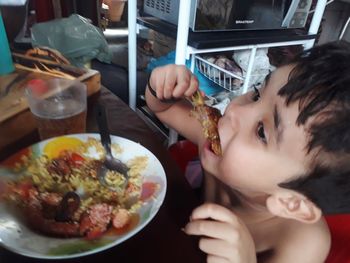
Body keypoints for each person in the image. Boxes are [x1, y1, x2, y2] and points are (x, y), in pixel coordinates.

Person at [144, 40, 350, 263]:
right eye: (257, 94)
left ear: (290, 203)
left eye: (262, 132)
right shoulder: (218, 146)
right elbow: (166, 109)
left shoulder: (303, 245)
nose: (234, 111)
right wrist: (161, 88)